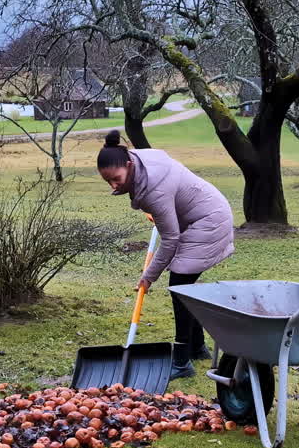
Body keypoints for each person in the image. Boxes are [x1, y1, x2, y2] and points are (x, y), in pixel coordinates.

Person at [96, 130, 234, 379]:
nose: (114, 186)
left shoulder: (154, 191)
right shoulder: (140, 161)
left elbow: (170, 240)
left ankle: (181, 362)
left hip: (209, 222)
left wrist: (149, 277)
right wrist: (162, 214)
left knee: (179, 286)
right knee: (186, 288)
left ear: (129, 164)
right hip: (206, 213)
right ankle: (197, 347)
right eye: (108, 182)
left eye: (116, 179)